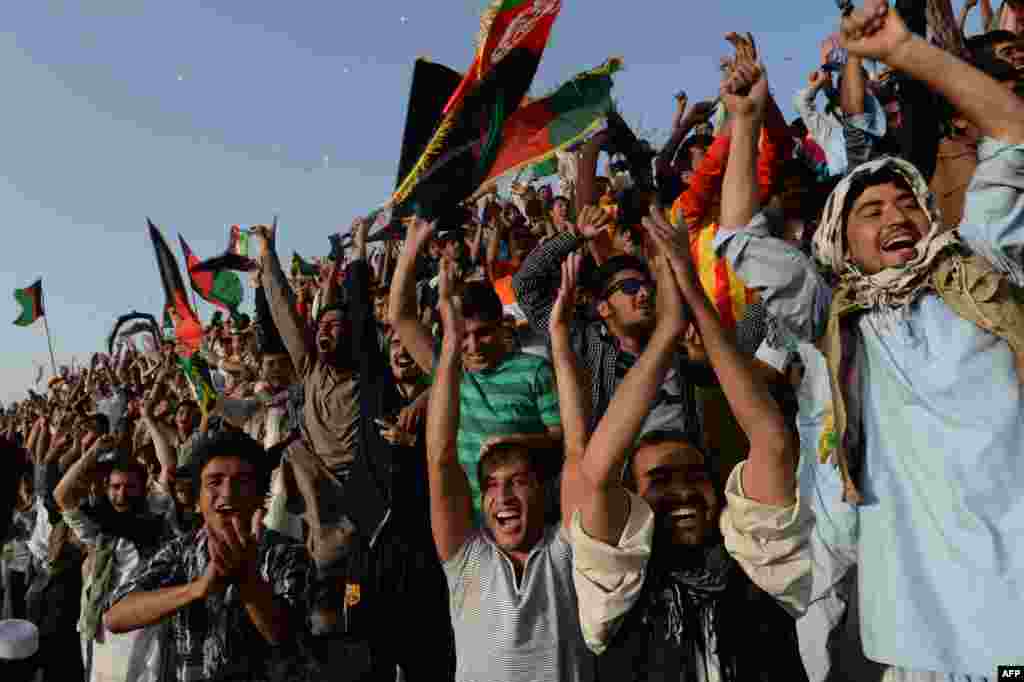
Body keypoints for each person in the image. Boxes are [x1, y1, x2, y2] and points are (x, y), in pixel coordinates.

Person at [720, 1, 1024, 676]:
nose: (896, 216)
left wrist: (906, 51)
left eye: (907, 202)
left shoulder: (987, 264)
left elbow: (1012, 130)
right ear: (839, 244)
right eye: (870, 210)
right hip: (925, 634)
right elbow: (739, 238)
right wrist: (744, 124)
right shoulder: (837, 316)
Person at [564, 78, 812, 674]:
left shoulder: (758, 562)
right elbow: (594, 471)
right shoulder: (613, 588)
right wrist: (672, 326)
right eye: (662, 481)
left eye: (691, 476)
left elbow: (771, 440)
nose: (678, 491)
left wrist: (690, 308)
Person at [425, 255, 593, 682]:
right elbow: (440, 458)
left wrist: (558, 338)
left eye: (517, 482)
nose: (503, 496)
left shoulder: (565, 553)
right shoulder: (466, 560)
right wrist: (447, 342)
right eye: (492, 485)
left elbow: (575, 450)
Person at [104, 430, 312, 682]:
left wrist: (248, 580)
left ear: (261, 496)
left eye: (242, 481)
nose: (228, 493)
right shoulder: (180, 551)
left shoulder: (287, 554)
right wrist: (196, 589)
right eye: (214, 482)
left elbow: (289, 637)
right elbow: (115, 616)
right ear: (198, 498)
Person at [391, 216, 563, 518]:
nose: (473, 346)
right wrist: (411, 249)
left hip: (531, 516)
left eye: (483, 333)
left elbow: (561, 439)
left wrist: (516, 443)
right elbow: (401, 316)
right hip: (470, 523)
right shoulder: (451, 373)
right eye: (462, 336)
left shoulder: (535, 371)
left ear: (502, 326)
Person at [54, 439, 169, 682]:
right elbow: (61, 495)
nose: (122, 494)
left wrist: (148, 418)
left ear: (144, 489)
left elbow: (168, 467)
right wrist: (92, 452)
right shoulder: (100, 530)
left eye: (130, 487)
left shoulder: (156, 523)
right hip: (101, 630)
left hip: (143, 632)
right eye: (115, 487)